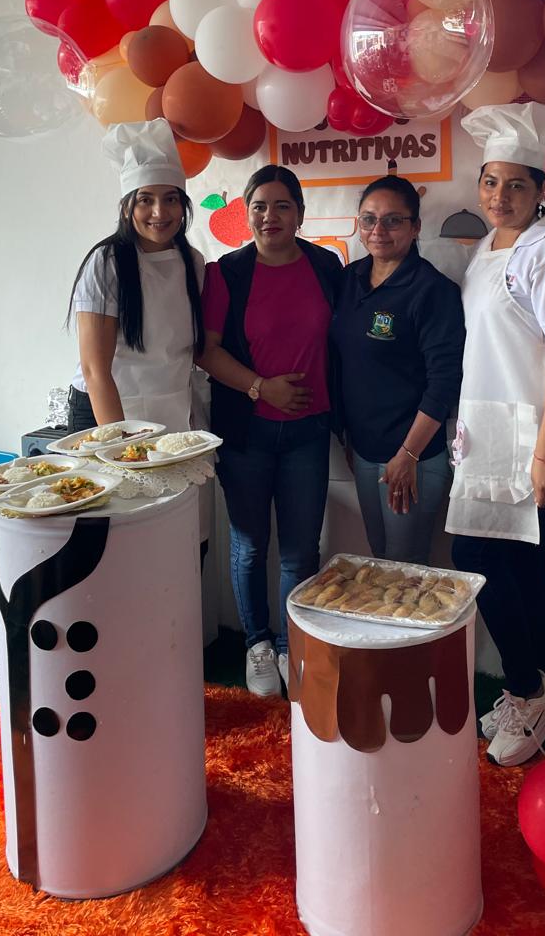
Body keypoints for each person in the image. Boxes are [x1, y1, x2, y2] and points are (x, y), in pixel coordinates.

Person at [447, 102, 545, 767]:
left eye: (515, 185)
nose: (498, 196)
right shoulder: (488, 247)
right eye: (490, 182)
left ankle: (525, 690)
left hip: (536, 430)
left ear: (539, 190)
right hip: (493, 426)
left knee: (474, 554)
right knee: (525, 562)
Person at [198, 166, 342, 697]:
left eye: (282, 205)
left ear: (300, 214)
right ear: (246, 212)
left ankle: (290, 645)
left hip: (309, 432)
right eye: (259, 206)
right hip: (247, 433)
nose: (270, 216)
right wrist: (261, 387)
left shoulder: (325, 266)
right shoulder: (227, 273)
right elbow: (207, 352)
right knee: (250, 545)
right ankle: (257, 644)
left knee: (301, 551)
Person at [66, 119, 210, 559]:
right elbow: (95, 370)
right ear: (128, 205)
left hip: (172, 415)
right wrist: (124, 451)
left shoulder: (193, 263)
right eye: (145, 199)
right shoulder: (107, 263)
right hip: (108, 415)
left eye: (171, 199)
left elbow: (189, 353)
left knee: (180, 537)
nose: (159, 213)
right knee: (119, 541)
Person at [331, 175, 464, 565]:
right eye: (369, 219)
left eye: (392, 220)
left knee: (404, 567)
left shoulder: (432, 290)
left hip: (413, 455)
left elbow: (444, 382)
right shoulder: (349, 279)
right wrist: (348, 437)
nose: (378, 230)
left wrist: (408, 455)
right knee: (380, 557)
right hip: (364, 450)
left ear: (415, 226)